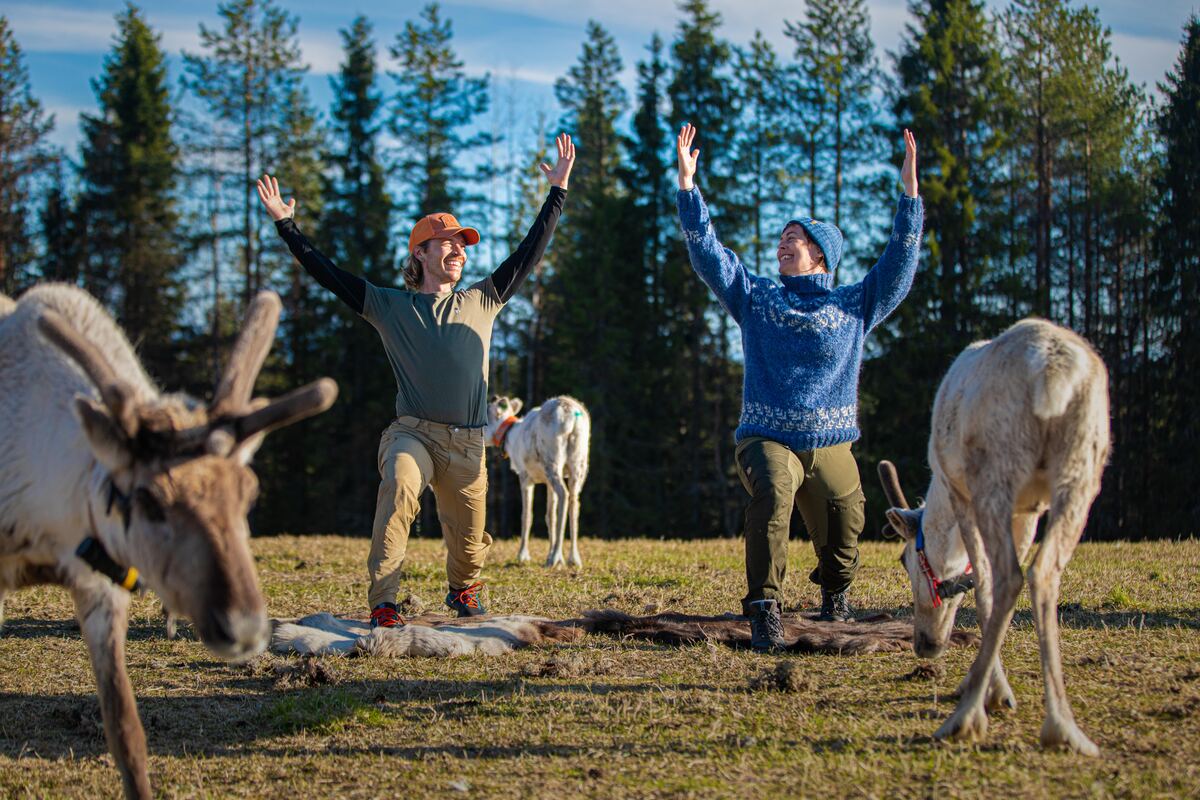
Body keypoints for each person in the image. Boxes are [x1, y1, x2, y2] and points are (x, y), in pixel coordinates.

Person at [257, 134, 576, 625]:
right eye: (447, 243)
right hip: (413, 433)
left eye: (461, 245)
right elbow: (328, 273)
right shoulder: (389, 306)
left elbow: (528, 252)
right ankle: (384, 601)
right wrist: (286, 224)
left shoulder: (483, 298)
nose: (458, 250)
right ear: (420, 254)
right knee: (401, 485)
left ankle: (462, 590)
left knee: (469, 545)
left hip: (470, 443)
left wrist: (557, 192)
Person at [675, 123, 923, 651]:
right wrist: (689, 189)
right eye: (784, 236)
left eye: (799, 238)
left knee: (847, 515)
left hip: (830, 441)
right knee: (773, 490)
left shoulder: (853, 304)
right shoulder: (757, 297)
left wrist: (910, 197)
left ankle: (836, 591)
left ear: (821, 258)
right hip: (767, 437)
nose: (786, 242)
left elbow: (898, 268)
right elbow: (710, 256)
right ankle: (765, 606)